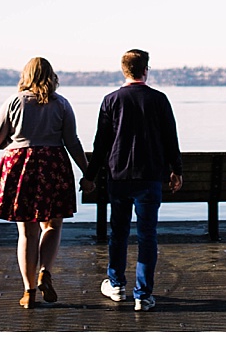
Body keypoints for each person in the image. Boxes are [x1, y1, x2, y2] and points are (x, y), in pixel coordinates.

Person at [0, 57, 89, 309]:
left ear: (25, 75)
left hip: (20, 164)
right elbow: (72, 141)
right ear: (51, 75)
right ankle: (46, 272)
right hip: (53, 164)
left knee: (27, 232)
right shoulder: (61, 104)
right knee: (53, 224)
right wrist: (87, 171)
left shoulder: (14, 101)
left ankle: (29, 292)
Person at [80, 49, 183, 312]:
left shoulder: (111, 100)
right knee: (148, 236)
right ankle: (143, 295)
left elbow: (101, 144)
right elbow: (171, 139)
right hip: (150, 177)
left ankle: (116, 285)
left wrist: (90, 176)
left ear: (124, 70)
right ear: (145, 69)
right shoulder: (159, 100)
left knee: (119, 233)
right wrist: (177, 170)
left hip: (119, 176)